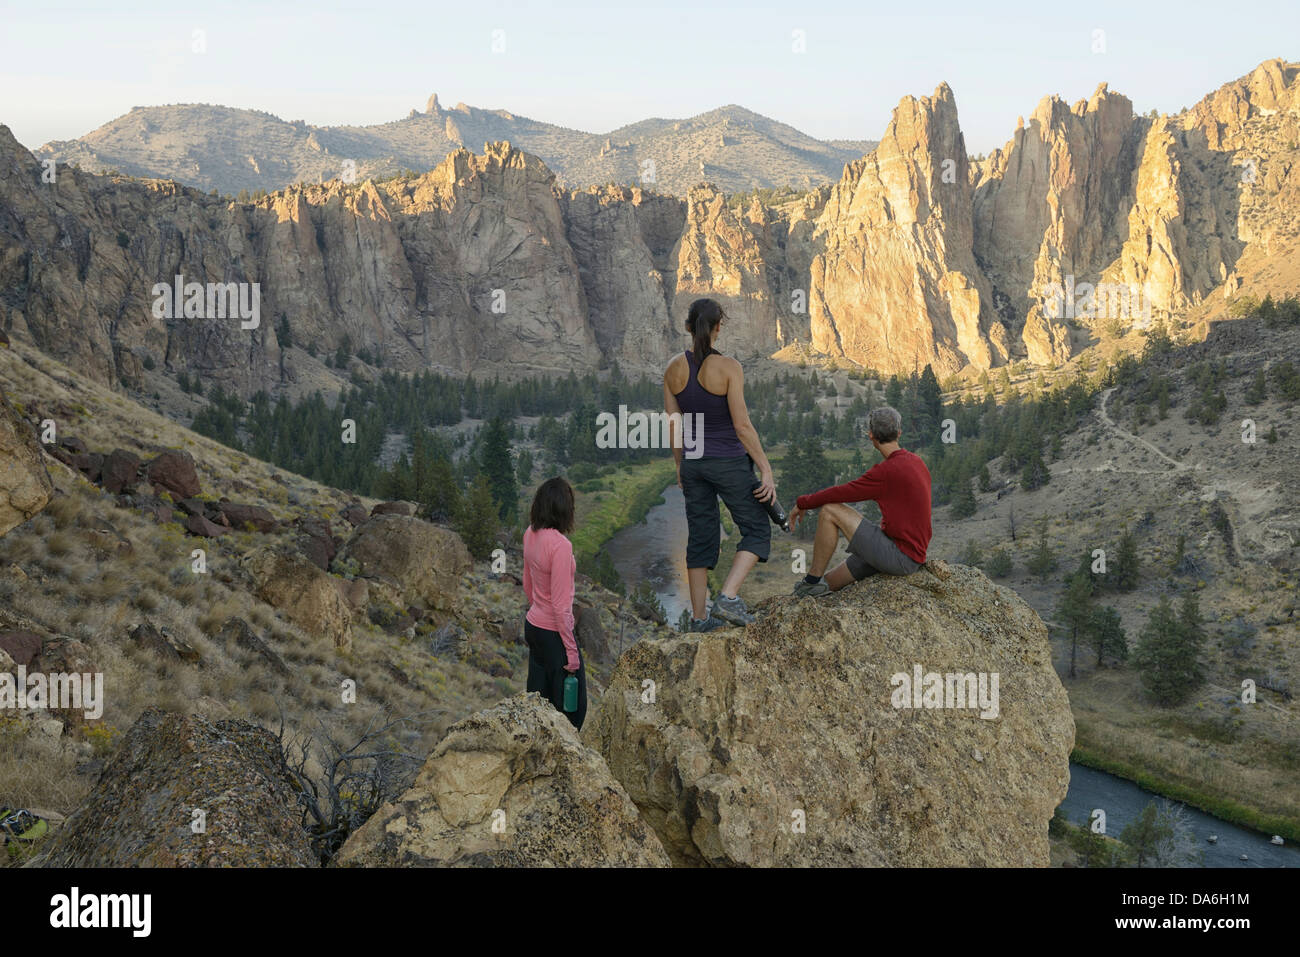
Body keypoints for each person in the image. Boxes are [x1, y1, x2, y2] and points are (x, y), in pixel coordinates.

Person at [664, 298, 776, 630]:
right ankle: (727, 598)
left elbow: (674, 426)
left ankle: (699, 621)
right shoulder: (729, 368)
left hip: (693, 464)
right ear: (717, 328)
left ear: (688, 327)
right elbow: (741, 426)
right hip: (728, 461)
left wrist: (679, 466)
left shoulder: (673, 369)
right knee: (756, 530)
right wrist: (765, 468)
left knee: (700, 538)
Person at [787, 406, 944, 595]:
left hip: (898, 557)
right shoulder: (916, 462)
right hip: (899, 550)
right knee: (826, 585)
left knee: (830, 510)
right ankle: (812, 586)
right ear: (899, 433)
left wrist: (803, 502)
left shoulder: (887, 471)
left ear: (871, 436)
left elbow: (840, 493)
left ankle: (811, 579)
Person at [522, 477, 586, 728]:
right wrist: (571, 652)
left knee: (539, 701)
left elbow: (528, 582)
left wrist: (538, 610)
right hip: (553, 634)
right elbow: (561, 607)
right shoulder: (560, 546)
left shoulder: (530, 533)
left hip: (534, 627)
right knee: (573, 709)